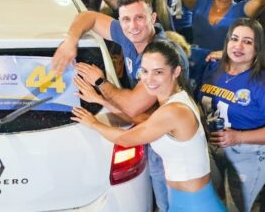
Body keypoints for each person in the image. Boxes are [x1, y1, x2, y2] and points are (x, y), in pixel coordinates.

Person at [52, 0, 189, 212]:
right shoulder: (129, 35)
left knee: (175, 205)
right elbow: (90, 17)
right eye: (125, 19)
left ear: (153, 18)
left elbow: (133, 106)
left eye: (139, 18)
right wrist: (71, 41)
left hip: (173, 149)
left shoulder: (162, 55)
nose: (133, 26)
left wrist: (100, 83)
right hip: (150, 136)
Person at [72, 40, 226, 212]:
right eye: (144, 71)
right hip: (183, 199)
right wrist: (100, 100)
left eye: (158, 72)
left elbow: (126, 138)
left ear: (176, 72)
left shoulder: (174, 111)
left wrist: (93, 123)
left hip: (196, 204)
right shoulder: (176, 100)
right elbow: (142, 121)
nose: (149, 79)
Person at [199, 18, 265, 212]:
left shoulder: (260, 82)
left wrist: (239, 137)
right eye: (234, 39)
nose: (239, 46)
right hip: (211, 148)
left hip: (248, 153)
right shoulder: (212, 67)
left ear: (258, 48)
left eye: (248, 41)